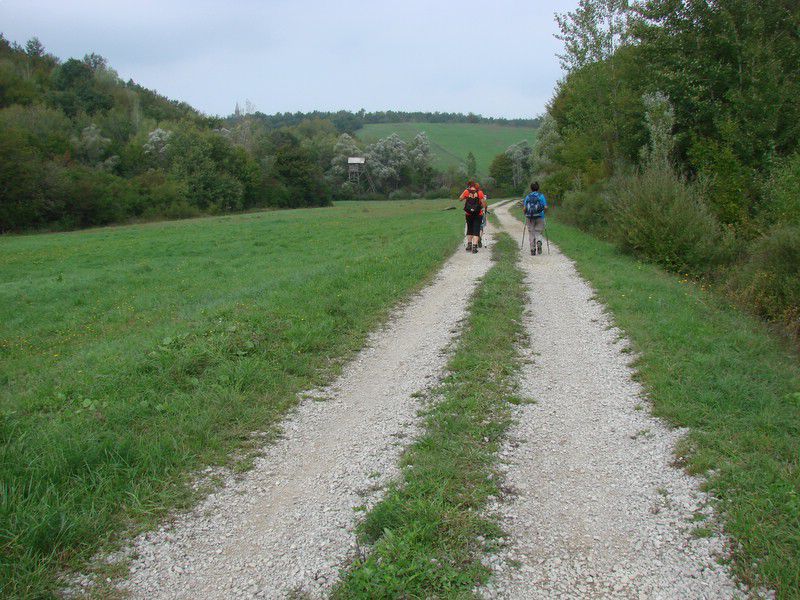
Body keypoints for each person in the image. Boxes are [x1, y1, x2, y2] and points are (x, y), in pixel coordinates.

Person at [522, 182, 547, 256]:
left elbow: (524, 208)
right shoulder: (541, 196)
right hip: (540, 216)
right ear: (538, 188)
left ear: (531, 188)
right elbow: (545, 207)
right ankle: (539, 241)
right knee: (538, 231)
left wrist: (525, 214)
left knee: (531, 232)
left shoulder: (528, 197)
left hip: (529, 217)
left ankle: (532, 249)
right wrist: (544, 213)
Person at [461, 186, 486, 253]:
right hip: (478, 214)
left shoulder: (466, 191)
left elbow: (460, 199)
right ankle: (474, 247)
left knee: (469, 229)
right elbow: (483, 203)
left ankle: (469, 245)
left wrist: (464, 191)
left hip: (468, 214)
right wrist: (483, 208)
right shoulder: (480, 192)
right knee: (476, 229)